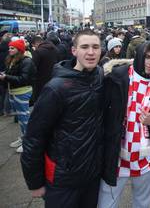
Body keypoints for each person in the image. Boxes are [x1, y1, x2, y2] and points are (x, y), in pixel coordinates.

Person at [21, 29, 105, 207]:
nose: (90, 52)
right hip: (63, 179)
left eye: (95, 47)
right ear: (74, 51)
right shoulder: (56, 88)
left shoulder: (98, 75)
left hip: (91, 175)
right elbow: (34, 137)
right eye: (84, 47)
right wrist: (35, 182)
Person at [98, 41, 150, 208]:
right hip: (116, 155)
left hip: (145, 155)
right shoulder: (117, 76)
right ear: (139, 55)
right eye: (147, 57)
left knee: (143, 203)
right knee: (107, 202)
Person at [1, 39, 36, 153]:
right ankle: (23, 138)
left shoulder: (26, 61)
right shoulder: (12, 60)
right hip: (14, 92)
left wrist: (6, 77)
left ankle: (28, 142)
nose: (10, 50)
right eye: (10, 48)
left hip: (22, 92)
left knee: (24, 118)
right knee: (21, 118)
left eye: (12, 48)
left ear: (19, 50)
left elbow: (23, 79)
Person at [31, 35, 58, 104]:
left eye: (34, 46)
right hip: (53, 78)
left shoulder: (38, 52)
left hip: (40, 81)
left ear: (36, 43)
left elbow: (33, 67)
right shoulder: (54, 48)